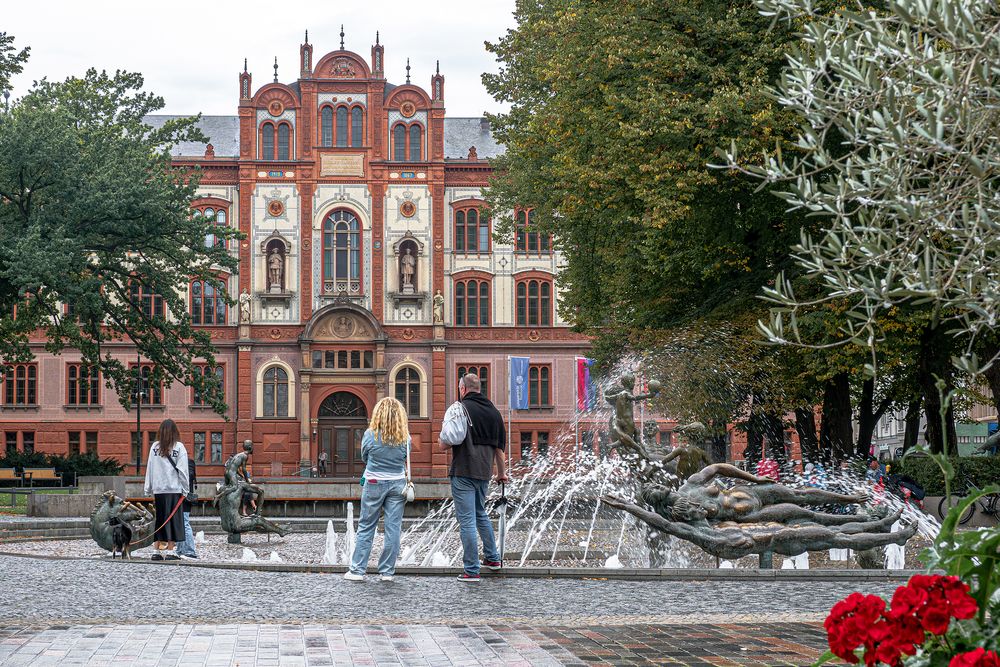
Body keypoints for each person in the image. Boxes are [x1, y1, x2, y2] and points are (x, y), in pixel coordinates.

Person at [438, 373, 508, 582]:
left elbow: (448, 440)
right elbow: (500, 449)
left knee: (467, 520)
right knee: (480, 514)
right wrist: (501, 474)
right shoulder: (494, 413)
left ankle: (471, 570)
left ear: (463, 389)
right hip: (484, 473)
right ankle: (493, 558)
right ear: (479, 388)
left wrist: (441, 442)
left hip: (463, 470)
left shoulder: (460, 408)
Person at [345, 397, 411, 582]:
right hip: (398, 483)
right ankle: (387, 572)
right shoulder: (405, 437)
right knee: (393, 528)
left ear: (378, 414)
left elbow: (365, 457)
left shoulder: (370, 434)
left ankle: (357, 571)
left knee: (366, 526)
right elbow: (405, 458)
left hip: (374, 482)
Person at [142, 419, 189, 561]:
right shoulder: (179, 447)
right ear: (175, 431)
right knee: (174, 520)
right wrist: (186, 489)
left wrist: (148, 488)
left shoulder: (155, 447)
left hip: (159, 489)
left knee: (160, 519)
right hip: (174, 489)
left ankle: (156, 550)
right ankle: (170, 550)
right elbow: (183, 470)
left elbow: (149, 467)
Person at [174, 454, 199, 560]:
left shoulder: (184, 464)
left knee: (184, 523)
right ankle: (180, 550)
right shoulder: (189, 463)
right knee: (180, 523)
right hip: (185, 497)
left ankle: (189, 551)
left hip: (182, 497)